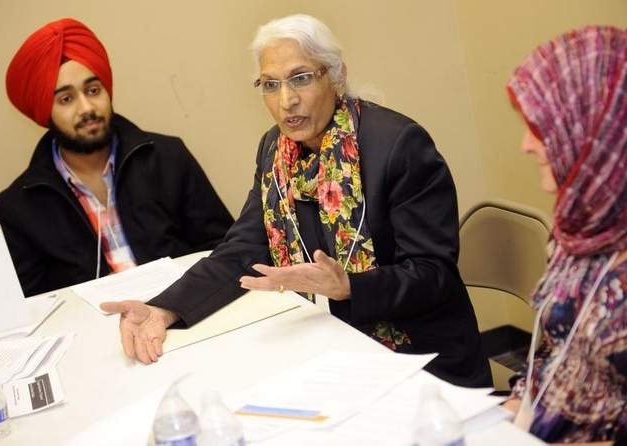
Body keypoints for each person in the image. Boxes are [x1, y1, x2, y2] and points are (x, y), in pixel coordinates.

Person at [102, 14, 491, 388]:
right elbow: (244, 249)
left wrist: (351, 287)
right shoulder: (274, 149)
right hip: (330, 343)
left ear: (336, 76)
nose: (286, 100)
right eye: (270, 85)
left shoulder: (399, 145)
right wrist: (164, 308)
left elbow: (433, 275)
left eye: (300, 79)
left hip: (420, 360)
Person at [0, 18, 234, 297]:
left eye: (93, 91)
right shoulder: (18, 207)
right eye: (66, 99)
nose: (87, 108)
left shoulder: (168, 157)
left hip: (185, 314)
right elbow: (27, 310)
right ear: (45, 113)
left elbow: (224, 247)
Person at [504, 26, 627, 445]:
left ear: (597, 129)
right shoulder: (577, 226)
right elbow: (555, 346)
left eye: (540, 128)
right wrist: (516, 402)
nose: (526, 146)